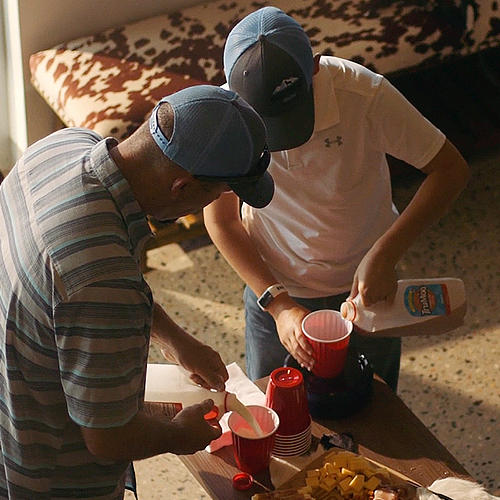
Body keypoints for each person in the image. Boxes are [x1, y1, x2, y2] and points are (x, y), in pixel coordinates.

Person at [0, 85, 273, 499]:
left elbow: (101, 277)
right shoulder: (102, 279)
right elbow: (107, 438)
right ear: (181, 187)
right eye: (214, 196)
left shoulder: (64, 145)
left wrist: (174, 337)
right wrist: (178, 435)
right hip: (47, 474)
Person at [203, 7, 470, 391]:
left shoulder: (363, 95)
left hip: (366, 290)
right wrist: (278, 306)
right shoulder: (225, 114)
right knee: (278, 412)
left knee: (375, 408)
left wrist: (386, 252)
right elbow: (222, 219)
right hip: (273, 286)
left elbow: (451, 169)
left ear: (314, 67)